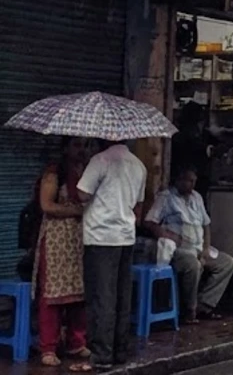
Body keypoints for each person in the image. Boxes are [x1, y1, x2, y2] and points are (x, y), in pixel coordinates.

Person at [78, 138, 146, 370]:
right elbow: (139, 206)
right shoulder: (139, 165)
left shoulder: (100, 161)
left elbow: (82, 195)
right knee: (121, 296)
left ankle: (101, 354)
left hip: (101, 237)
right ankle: (119, 351)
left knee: (101, 297)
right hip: (126, 237)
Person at [144, 168, 233, 323]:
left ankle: (204, 305)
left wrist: (206, 248)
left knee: (227, 263)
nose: (191, 185)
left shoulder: (197, 197)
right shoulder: (166, 197)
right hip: (179, 250)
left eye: (194, 181)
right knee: (193, 265)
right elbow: (149, 222)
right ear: (179, 180)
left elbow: (206, 224)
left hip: (198, 247)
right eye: (188, 181)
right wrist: (167, 235)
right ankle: (189, 310)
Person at [35, 137, 91, 370]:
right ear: (66, 148)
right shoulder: (54, 173)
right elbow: (47, 205)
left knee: (79, 293)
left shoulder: (88, 171)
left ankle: (75, 343)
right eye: (77, 145)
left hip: (80, 238)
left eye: (86, 145)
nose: (82, 150)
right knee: (53, 294)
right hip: (57, 238)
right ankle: (48, 347)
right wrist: (74, 210)